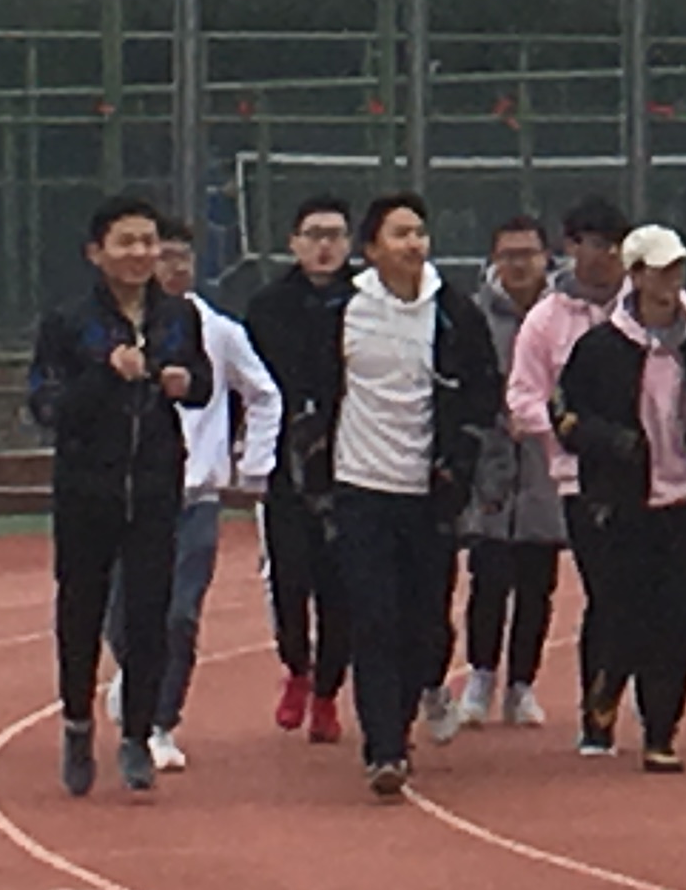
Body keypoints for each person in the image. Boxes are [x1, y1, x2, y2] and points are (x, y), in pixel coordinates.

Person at [299, 190, 505, 798]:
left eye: (419, 232)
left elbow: (481, 392)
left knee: (426, 624)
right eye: (399, 234)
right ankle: (384, 746)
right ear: (371, 249)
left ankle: (412, 703)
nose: (413, 244)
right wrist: (316, 469)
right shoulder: (342, 310)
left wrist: (458, 461)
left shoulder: (453, 313)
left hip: (429, 492)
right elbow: (314, 391)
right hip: (360, 488)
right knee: (373, 618)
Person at [26, 193, 213, 798]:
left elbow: (203, 385)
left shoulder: (177, 316)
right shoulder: (69, 322)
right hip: (88, 487)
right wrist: (105, 374)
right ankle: (77, 723)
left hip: (156, 484)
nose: (139, 253)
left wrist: (186, 383)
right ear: (96, 252)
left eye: (148, 242)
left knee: (150, 613)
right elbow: (47, 405)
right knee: (81, 610)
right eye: (126, 242)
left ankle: (137, 733)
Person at [550, 222, 686, 771]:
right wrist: (615, 442)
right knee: (620, 612)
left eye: (678, 269)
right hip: (621, 503)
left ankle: (660, 730)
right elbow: (568, 422)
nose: (672, 280)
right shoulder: (599, 349)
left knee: (681, 618)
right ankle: (601, 701)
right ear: (635, 276)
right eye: (660, 270)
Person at [100, 221, 275, 774]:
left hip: (195, 497)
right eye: (164, 255)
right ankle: (136, 673)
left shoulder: (219, 332)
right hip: (129, 493)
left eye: (182, 257)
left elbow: (264, 394)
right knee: (120, 612)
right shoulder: (112, 328)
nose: (173, 266)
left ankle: (159, 722)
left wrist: (254, 465)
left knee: (179, 614)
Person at [503, 192, 634, 746]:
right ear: (571, 247)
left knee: (656, 598)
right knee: (609, 594)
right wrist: (562, 427)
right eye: (595, 244)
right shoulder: (547, 320)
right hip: (581, 478)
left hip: (653, 477)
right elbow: (522, 395)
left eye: (615, 244)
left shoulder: (655, 303)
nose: (606, 255)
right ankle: (597, 714)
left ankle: (648, 701)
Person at [239, 190, 360, 745]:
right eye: (314, 235)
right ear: (293, 243)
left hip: (353, 462)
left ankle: (329, 692)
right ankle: (297, 668)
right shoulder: (268, 307)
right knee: (289, 579)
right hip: (285, 466)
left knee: (341, 586)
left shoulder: (366, 301)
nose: (324, 246)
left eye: (334, 235)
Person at [450, 211, 572, 734]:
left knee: (537, 581)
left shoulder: (564, 314)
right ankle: (480, 677)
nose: (519, 264)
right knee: (489, 575)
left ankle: (523, 684)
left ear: (547, 258)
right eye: (508, 255)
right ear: (493, 261)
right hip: (493, 465)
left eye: (528, 254)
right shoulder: (475, 316)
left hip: (546, 462)